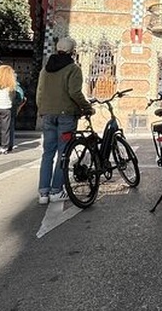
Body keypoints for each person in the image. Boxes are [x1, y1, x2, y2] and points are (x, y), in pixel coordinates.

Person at [36, 37, 93, 205]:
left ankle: (43, 192)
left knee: (47, 153)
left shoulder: (45, 70)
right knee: (63, 153)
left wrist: (42, 109)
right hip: (66, 115)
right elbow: (74, 92)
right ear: (73, 51)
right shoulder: (73, 69)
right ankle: (56, 191)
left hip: (47, 114)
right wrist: (87, 107)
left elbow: (39, 92)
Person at [0, 65, 18, 155]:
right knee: (5, 128)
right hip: (6, 107)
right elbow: (13, 96)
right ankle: (4, 147)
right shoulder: (11, 83)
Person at [9, 83, 27, 152]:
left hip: (8, 107)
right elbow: (22, 99)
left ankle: (5, 143)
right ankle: (11, 143)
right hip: (13, 108)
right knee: (11, 126)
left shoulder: (12, 87)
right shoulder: (18, 88)